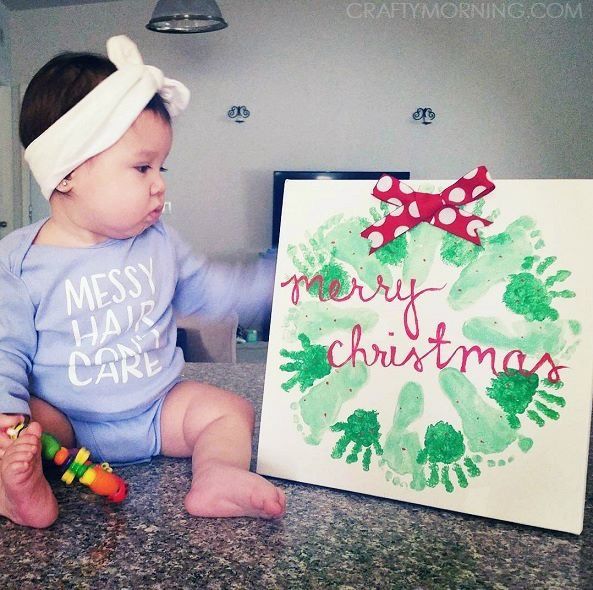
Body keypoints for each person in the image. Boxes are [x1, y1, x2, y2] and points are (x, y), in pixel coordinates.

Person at [0, 35, 285, 528]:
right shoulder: (19, 261)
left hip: (157, 409)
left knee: (229, 411)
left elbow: (213, 291)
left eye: (160, 166)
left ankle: (217, 475)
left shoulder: (160, 242)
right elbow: (5, 350)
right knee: (14, 430)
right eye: (141, 167)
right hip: (65, 422)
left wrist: (279, 284)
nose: (160, 183)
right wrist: (7, 416)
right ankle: (18, 495)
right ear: (66, 173)